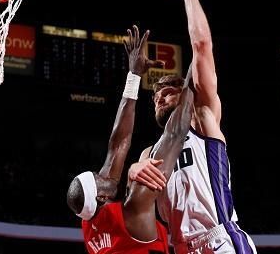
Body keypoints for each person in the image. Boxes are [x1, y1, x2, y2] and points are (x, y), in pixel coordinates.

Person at [128, 0, 257, 253]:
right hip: (179, 248)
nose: (159, 97)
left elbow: (201, 47)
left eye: (168, 92)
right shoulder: (151, 153)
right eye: (156, 97)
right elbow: (134, 205)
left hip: (219, 240)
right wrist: (134, 171)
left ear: (184, 96)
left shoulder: (202, 117)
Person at [66, 25, 195, 254]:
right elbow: (175, 132)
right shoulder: (134, 210)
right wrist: (199, 55)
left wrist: (134, 76)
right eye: (99, 177)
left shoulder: (90, 221)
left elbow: (117, 145)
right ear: (101, 195)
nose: (103, 172)